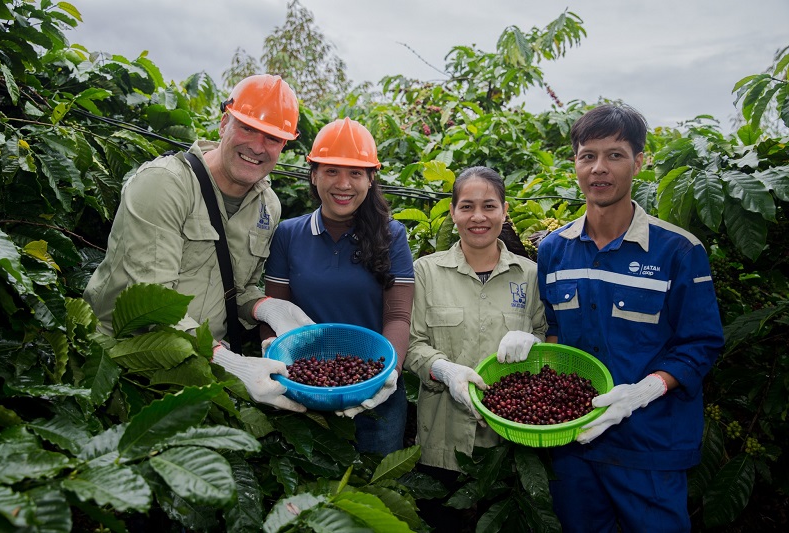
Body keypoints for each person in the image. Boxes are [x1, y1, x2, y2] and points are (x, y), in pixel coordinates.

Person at [536, 103, 725, 532]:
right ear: (575, 164)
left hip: (651, 446)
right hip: (574, 444)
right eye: (588, 156)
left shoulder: (678, 251)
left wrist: (640, 393)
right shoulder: (553, 250)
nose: (599, 168)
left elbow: (701, 343)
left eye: (615, 155)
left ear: (639, 162)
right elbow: (553, 330)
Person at [84, 75, 314, 413]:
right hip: (123, 364)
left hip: (200, 370)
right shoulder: (164, 184)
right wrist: (230, 362)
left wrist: (265, 307)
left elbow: (238, 286)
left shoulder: (269, 206)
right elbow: (151, 303)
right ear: (223, 124)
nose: (257, 146)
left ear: (284, 146)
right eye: (247, 128)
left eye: (273, 138)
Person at [260, 117, 415, 455]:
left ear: (371, 179)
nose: (343, 184)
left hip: (375, 389)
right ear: (313, 175)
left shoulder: (392, 236)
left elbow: (398, 316)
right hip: (306, 386)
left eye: (356, 173)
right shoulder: (288, 234)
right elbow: (273, 310)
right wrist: (273, 350)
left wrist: (388, 374)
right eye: (331, 171)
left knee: (377, 488)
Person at [404, 166, 547, 529]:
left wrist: (535, 342)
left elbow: (546, 344)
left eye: (489, 206)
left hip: (507, 448)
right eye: (466, 207)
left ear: (505, 210)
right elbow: (411, 345)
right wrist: (445, 370)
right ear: (452, 213)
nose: (478, 217)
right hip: (442, 445)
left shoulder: (529, 275)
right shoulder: (425, 271)